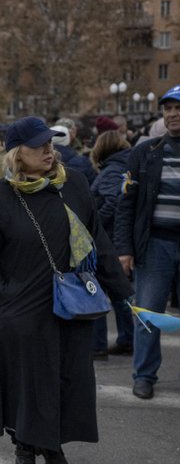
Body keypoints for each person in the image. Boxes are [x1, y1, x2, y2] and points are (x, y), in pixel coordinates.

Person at [0, 116, 132, 464]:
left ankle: (54, 447)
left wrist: (123, 293)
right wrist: (3, 295)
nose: (49, 150)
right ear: (16, 155)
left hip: (70, 305)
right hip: (21, 309)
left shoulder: (72, 185)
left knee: (65, 378)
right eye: (39, 146)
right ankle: (24, 450)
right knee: (27, 382)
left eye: (50, 144)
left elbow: (97, 239)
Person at [114, 84, 180, 400]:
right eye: (168, 108)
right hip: (154, 245)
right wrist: (124, 249)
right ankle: (144, 375)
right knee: (148, 313)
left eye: (178, 108)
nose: (173, 114)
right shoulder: (145, 152)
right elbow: (125, 204)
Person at [89, 130, 134, 360]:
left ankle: (97, 345)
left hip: (107, 240)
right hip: (118, 240)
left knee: (95, 290)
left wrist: (93, 223)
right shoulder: (125, 164)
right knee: (119, 293)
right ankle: (127, 339)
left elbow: (113, 201)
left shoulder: (111, 169)